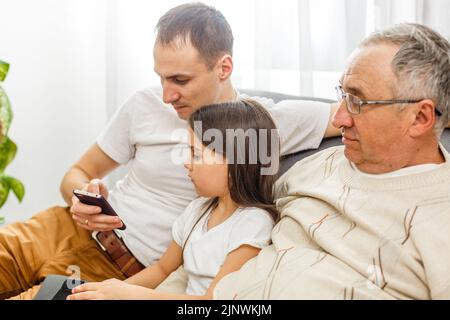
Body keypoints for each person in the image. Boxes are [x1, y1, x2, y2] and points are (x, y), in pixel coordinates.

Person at [0, 3, 338, 300]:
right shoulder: (144, 104)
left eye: (180, 80)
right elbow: (77, 172)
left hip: (121, 269)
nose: (166, 95)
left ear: (223, 67)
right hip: (57, 228)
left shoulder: (263, 124)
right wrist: (80, 199)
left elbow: (355, 112)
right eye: (161, 78)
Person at [213, 23, 450, 300]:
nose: (338, 120)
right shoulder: (319, 165)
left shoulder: (439, 218)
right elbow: (236, 221)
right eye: (343, 95)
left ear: (420, 118)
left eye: (357, 101)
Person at [66, 99, 280, 300]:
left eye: (195, 154)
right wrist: (108, 291)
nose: (186, 163)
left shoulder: (252, 223)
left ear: (236, 162)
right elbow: (162, 269)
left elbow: (213, 301)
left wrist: (127, 295)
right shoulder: (198, 209)